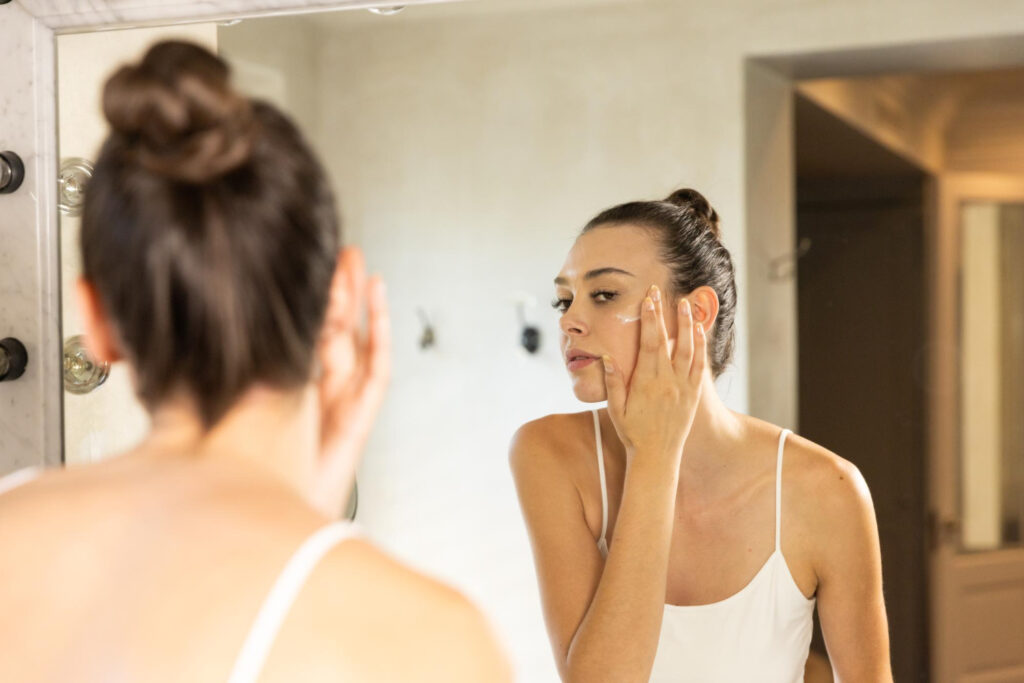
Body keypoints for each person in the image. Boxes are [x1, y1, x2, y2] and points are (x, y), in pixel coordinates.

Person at [0, 41, 510, 683]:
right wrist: (305, 523)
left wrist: (307, 517)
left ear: (96, 322)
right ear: (343, 296)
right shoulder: (418, 638)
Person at [510, 189, 892, 682]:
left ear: (697, 312)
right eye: (564, 299)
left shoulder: (828, 489)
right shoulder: (548, 454)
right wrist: (653, 457)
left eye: (604, 294)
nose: (568, 321)